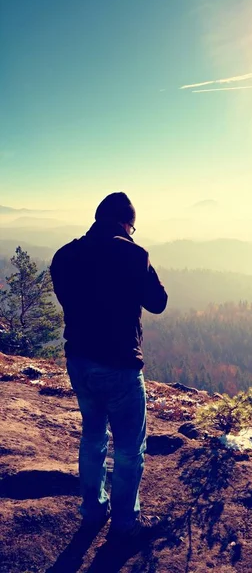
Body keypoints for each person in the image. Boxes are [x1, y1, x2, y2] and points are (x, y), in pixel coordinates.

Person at [50, 192, 168, 539]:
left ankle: (92, 510)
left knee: (92, 436)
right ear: (125, 223)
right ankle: (124, 524)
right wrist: (140, 258)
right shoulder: (133, 254)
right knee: (130, 448)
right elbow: (158, 302)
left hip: (79, 361)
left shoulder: (64, 255)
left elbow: (68, 300)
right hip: (120, 365)